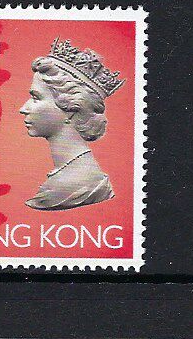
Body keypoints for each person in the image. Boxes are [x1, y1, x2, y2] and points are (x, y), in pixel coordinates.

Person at [20, 38, 124, 210]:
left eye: (36, 98)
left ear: (71, 107)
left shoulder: (81, 184)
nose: (23, 109)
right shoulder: (74, 173)